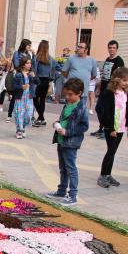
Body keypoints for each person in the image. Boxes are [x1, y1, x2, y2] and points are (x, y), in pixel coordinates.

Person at [46, 78, 90, 206]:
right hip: (61, 140)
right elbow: (64, 119)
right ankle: (61, 191)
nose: (67, 97)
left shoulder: (81, 107)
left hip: (71, 142)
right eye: (66, 94)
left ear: (79, 93)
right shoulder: (68, 104)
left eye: (70, 94)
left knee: (71, 168)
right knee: (62, 167)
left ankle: (73, 195)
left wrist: (68, 132)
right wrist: (57, 123)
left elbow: (84, 126)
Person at [96, 67, 128, 188]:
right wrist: (111, 128)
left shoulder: (125, 93)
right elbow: (106, 112)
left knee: (113, 152)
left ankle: (108, 174)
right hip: (111, 128)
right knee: (110, 151)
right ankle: (103, 176)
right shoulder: (109, 93)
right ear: (117, 80)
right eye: (124, 80)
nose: (126, 83)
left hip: (121, 127)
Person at [92, 40, 125, 137]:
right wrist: (98, 87)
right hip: (103, 89)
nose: (111, 49)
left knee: (108, 111)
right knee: (99, 109)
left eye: (113, 48)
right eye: (110, 47)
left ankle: (108, 130)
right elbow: (104, 75)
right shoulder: (107, 59)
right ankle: (102, 128)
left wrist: (115, 89)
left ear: (117, 49)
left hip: (112, 90)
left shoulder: (119, 61)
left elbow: (120, 77)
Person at [61, 42, 97, 107]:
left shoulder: (92, 61)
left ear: (86, 50)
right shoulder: (71, 58)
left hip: (83, 92)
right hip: (71, 91)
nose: (78, 48)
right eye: (78, 46)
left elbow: (94, 75)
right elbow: (63, 71)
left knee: (81, 112)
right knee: (69, 111)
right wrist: (70, 78)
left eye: (81, 47)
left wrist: (85, 79)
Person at [10, 56, 38, 139]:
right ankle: (19, 130)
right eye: (27, 63)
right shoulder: (18, 75)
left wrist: (35, 76)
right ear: (23, 64)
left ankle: (23, 128)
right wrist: (22, 87)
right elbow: (13, 86)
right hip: (20, 97)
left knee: (28, 116)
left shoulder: (31, 74)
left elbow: (38, 82)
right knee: (19, 115)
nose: (29, 65)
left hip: (29, 98)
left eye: (30, 63)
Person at [33, 40, 59, 126]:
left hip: (38, 81)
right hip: (46, 81)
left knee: (35, 98)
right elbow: (59, 67)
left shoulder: (37, 58)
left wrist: (35, 79)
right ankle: (42, 118)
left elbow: (34, 70)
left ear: (40, 47)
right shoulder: (51, 59)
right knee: (42, 99)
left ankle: (41, 118)